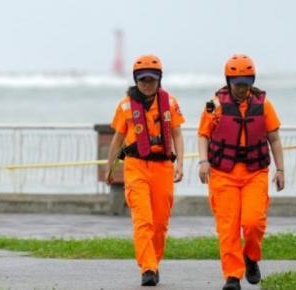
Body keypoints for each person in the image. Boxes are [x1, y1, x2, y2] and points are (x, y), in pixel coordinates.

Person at [197, 54, 285, 290]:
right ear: (228, 82)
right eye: (237, 84)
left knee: (253, 222)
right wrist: (203, 162)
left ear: (252, 81)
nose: (241, 89)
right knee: (228, 227)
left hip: (255, 172)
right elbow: (203, 135)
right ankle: (232, 277)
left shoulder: (264, 105)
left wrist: (281, 169)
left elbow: (274, 139)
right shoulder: (214, 105)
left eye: (246, 83)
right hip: (223, 173)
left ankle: (251, 257)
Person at [106, 54, 185, 287]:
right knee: (143, 221)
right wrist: (109, 167)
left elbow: (177, 135)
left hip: (163, 168)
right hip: (136, 167)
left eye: (151, 80)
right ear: (135, 80)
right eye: (142, 80)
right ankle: (148, 268)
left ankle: (154, 262)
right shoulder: (125, 106)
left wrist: (180, 163)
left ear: (159, 79)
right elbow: (117, 139)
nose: (147, 84)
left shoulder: (170, 103)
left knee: (160, 223)